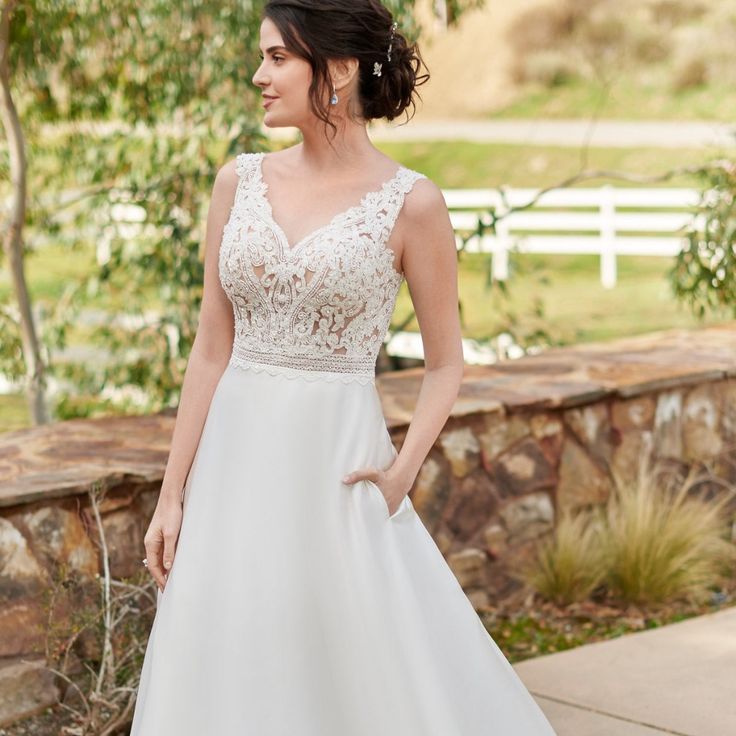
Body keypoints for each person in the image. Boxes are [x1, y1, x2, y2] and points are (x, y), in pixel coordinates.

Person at [130, 1, 557, 734]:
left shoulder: (412, 204)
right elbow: (210, 346)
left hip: (333, 468)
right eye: (262, 57)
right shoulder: (238, 182)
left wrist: (400, 472)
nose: (257, 75)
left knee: (348, 666)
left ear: (339, 68)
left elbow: (446, 363)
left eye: (276, 58)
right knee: (225, 653)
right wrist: (172, 495)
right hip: (232, 469)